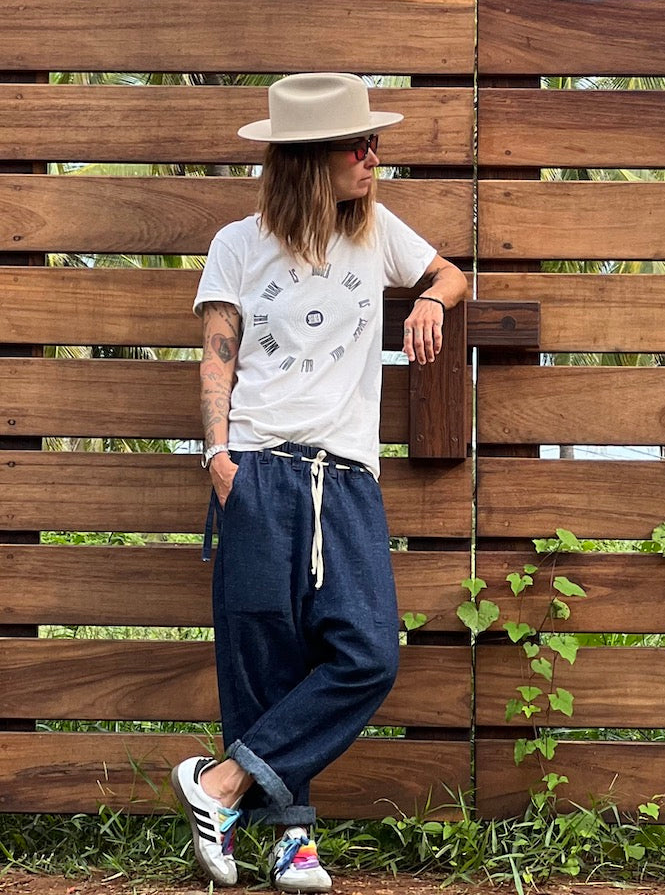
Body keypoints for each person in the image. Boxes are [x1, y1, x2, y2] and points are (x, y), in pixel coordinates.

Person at [171, 72, 468, 892]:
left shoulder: (375, 233)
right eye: (357, 145)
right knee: (262, 656)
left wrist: (431, 303)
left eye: (373, 142)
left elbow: (448, 274)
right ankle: (291, 841)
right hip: (257, 469)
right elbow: (218, 353)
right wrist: (217, 457)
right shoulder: (238, 244)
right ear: (310, 158)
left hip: (344, 476)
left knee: (367, 653)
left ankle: (220, 785)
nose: (373, 157)